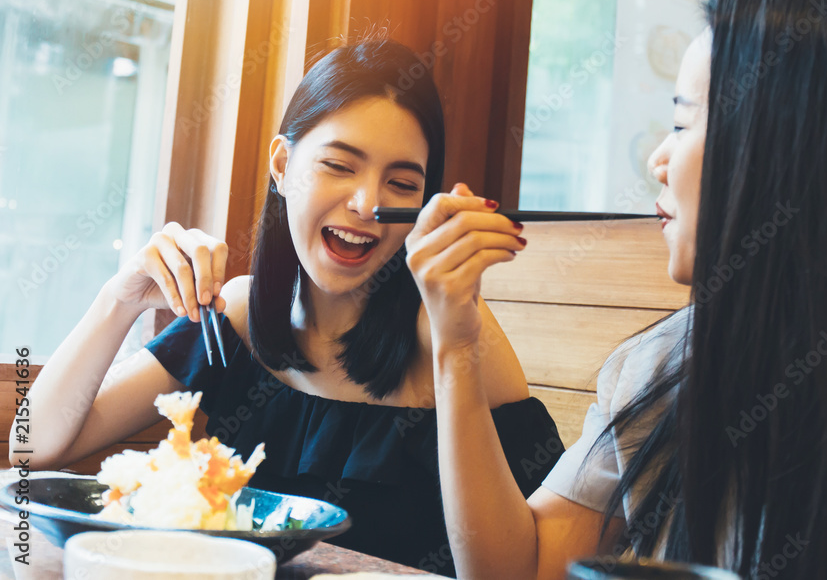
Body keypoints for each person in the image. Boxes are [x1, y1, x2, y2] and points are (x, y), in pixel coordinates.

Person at [404, 0, 827, 579]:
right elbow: (521, 570)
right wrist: (454, 340)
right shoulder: (667, 366)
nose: (659, 159)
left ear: (785, 153)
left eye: (684, 123)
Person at [14, 37, 564, 576]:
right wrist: (120, 299)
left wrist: (456, 344)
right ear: (282, 164)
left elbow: (516, 567)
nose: (368, 203)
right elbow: (31, 445)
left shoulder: (451, 335)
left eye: (400, 182)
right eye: (340, 165)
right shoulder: (238, 315)